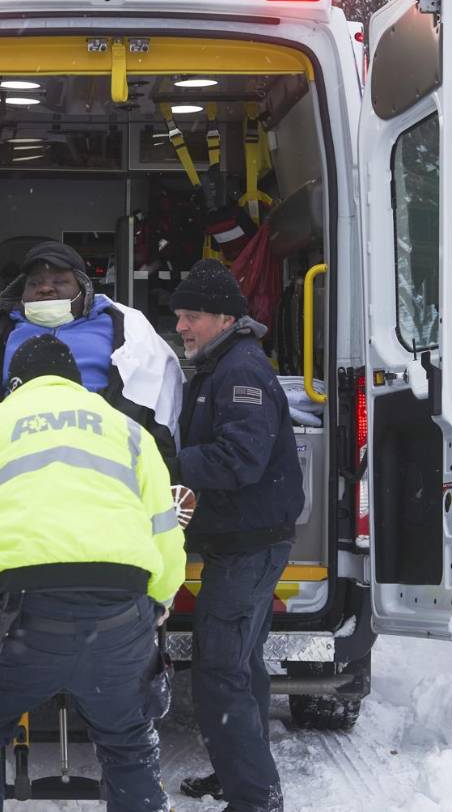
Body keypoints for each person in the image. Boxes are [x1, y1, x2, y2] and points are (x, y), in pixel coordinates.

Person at [0, 334, 186, 812]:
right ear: (75, 381)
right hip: (120, 614)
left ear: (15, 384)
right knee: (129, 743)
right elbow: (164, 530)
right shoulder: (130, 432)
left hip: (24, 616)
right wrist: (161, 599)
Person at [170, 260, 304, 812]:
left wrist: (168, 461)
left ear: (226, 318)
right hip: (240, 541)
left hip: (251, 546)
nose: (182, 326)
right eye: (180, 315)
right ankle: (239, 776)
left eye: (193, 316)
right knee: (243, 665)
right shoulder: (219, 365)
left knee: (221, 670)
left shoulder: (241, 372)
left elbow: (240, 458)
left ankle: (255, 799)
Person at [0, 239, 182, 464]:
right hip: (13, 461)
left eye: (59, 282)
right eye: (34, 283)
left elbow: (156, 402)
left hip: (104, 459)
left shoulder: (126, 329)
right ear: (21, 293)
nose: (45, 289)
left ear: (83, 288)